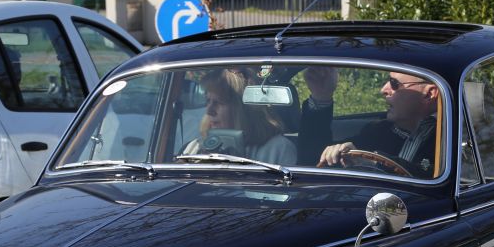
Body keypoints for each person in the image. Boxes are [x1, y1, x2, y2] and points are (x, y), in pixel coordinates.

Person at [301, 67, 439, 178]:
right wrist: (321, 96)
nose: (383, 90)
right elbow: (312, 160)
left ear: (429, 94)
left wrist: (374, 162)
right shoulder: (378, 131)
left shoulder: (449, 139)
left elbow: (432, 177)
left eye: (394, 83)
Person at [186, 68, 297, 164]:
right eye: (208, 101)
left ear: (243, 108)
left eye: (218, 102)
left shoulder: (277, 149)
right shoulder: (195, 147)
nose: (209, 111)